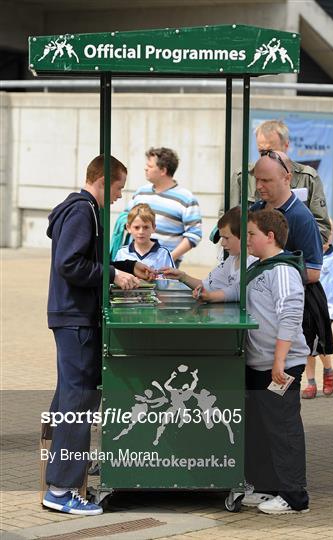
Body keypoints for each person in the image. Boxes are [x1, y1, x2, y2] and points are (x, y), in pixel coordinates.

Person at [43, 155, 154, 516]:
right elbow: (70, 263)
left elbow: (82, 259)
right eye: (119, 188)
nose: (120, 197)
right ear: (103, 180)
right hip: (75, 318)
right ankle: (60, 489)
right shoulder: (83, 211)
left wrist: (124, 267)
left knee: (73, 401)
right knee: (77, 404)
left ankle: (61, 481)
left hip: (72, 316)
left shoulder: (82, 210)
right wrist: (112, 274)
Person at [218, 209, 310, 514]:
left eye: (252, 234)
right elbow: (235, 292)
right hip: (261, 364)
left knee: (283, 430)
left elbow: (290, 314)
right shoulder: (259, 267)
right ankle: (268, 486)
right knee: (260, 428)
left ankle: (294, 497)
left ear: (270, 237)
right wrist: (207, 294)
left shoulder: (282, 270)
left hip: (280, 366)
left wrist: (279, 362)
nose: (248, 240)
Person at [250, 150, 333, 361]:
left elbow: (314, 272)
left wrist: (275, 270)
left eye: (266, 181)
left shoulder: (301, 217)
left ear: (287, 178)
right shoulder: (255, 209)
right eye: (257, 179)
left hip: (288, 317)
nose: (259, 186)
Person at [231, 119, 330, 244]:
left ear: (286, 146)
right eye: (262, 152)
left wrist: (287, 250)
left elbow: (322, 228)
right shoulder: (243, 177)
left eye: (271, 152)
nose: (266, 157)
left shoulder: (307, 178)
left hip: (293, 257)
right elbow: (228, 223)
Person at [125, 147, 202, 266]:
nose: (145, 168)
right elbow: (125, 220)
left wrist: (167, 259)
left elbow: (194, 235)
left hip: (166, 269)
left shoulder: (186, 198)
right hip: (134, 264)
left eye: (150, 166)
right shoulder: (140, 192)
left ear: (163, 170)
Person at [162, 206, 256, 302]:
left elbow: (237, 292)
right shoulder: (232, 260)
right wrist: (182, 277)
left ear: (245, 236)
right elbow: (209, 285)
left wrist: (211, 296)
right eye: (221, 238)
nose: (222, 243)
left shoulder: (254, 263)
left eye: (226, 238)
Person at [302, 218, 333, 399]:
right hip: (308, 305)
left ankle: (328, 371)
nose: (325, 237)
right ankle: (311, 383)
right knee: (307, 344)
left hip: (326, 309)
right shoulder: (308, 256)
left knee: (319, 343)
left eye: (329, 233)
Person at [114, 203, 175, 270]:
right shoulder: (122, 253)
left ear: (153, 228)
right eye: (136, 227)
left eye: (146, 227)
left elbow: (171, 279)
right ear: (128, 228)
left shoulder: (163, 253)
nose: (141, 232)